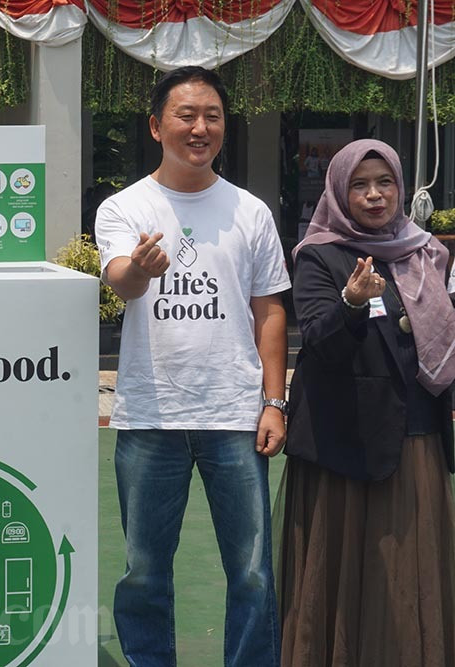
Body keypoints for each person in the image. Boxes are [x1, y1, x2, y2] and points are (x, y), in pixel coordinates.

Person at [95, 66, 290, 667]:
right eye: (186, 116)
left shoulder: (250, 211)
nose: (200, 127)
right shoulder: (124, 207)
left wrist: (274, 401)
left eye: (213, 116)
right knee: (144, 569)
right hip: (151, 415)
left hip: (234, 413)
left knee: (251, 569)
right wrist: (140, 269)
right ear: (157, 127)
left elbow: (269, 311)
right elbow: (121, 281)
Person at [279, 139, 455, 666]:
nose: (375, 195)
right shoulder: (320, 255)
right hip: (347, 445)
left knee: (411, 575)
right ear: (339, 191)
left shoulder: (427, 252)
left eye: (385, 183)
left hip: (417, 437)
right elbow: (319, 345)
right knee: (348, 575)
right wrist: (352, 304)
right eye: (360, 185)